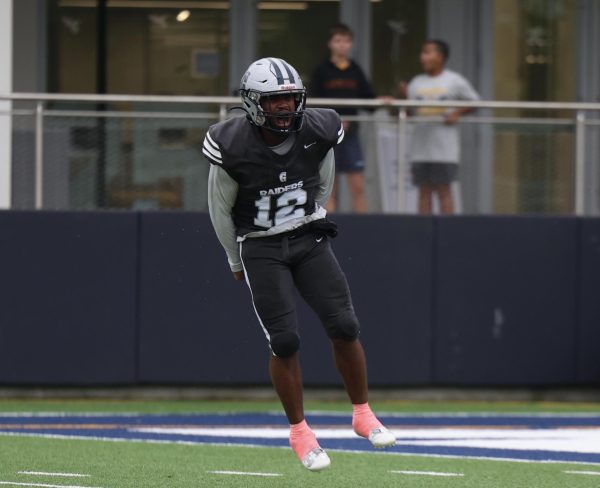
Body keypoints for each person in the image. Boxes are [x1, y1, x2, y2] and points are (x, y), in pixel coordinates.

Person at [203, 57, 395, 472]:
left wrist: (311, 217)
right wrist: (234, 259)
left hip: (307, 236)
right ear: (254, 103)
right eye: (275, 101)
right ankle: (300, 431)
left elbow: (322, 181)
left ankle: (362, 413)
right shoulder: (233, 142)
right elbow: (220, 208)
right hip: (260, 245)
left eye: (290, 97)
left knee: (344, 324)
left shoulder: (317, 129)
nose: (286, 106)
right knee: (285, 339)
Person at [401, 39, 480, 214]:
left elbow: (475, 102)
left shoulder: (454, 80)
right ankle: (423, 232)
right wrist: (403, 98)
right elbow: (409, 112)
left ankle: (447, 232)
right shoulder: (416, 82)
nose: (423, 57)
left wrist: (457, 113)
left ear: (441, 57)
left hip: (444, 149)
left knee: (444, 190)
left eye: (428, 52)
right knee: (424, 191)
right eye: (422, 53)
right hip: (420, 149)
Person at [311, 23, 376, 214]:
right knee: (330, 186)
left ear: (351, 44)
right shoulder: (322, 70)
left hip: (351, 135)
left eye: (346, 41)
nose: (342, 45)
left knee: (357, 185)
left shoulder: (355, 69)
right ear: (330, 44)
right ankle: (330, 228)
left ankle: (364, 226)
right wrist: (335, 121)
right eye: (338, 40)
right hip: (328, 136)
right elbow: (314, 104)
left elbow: (368, 99)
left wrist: (382, 100)